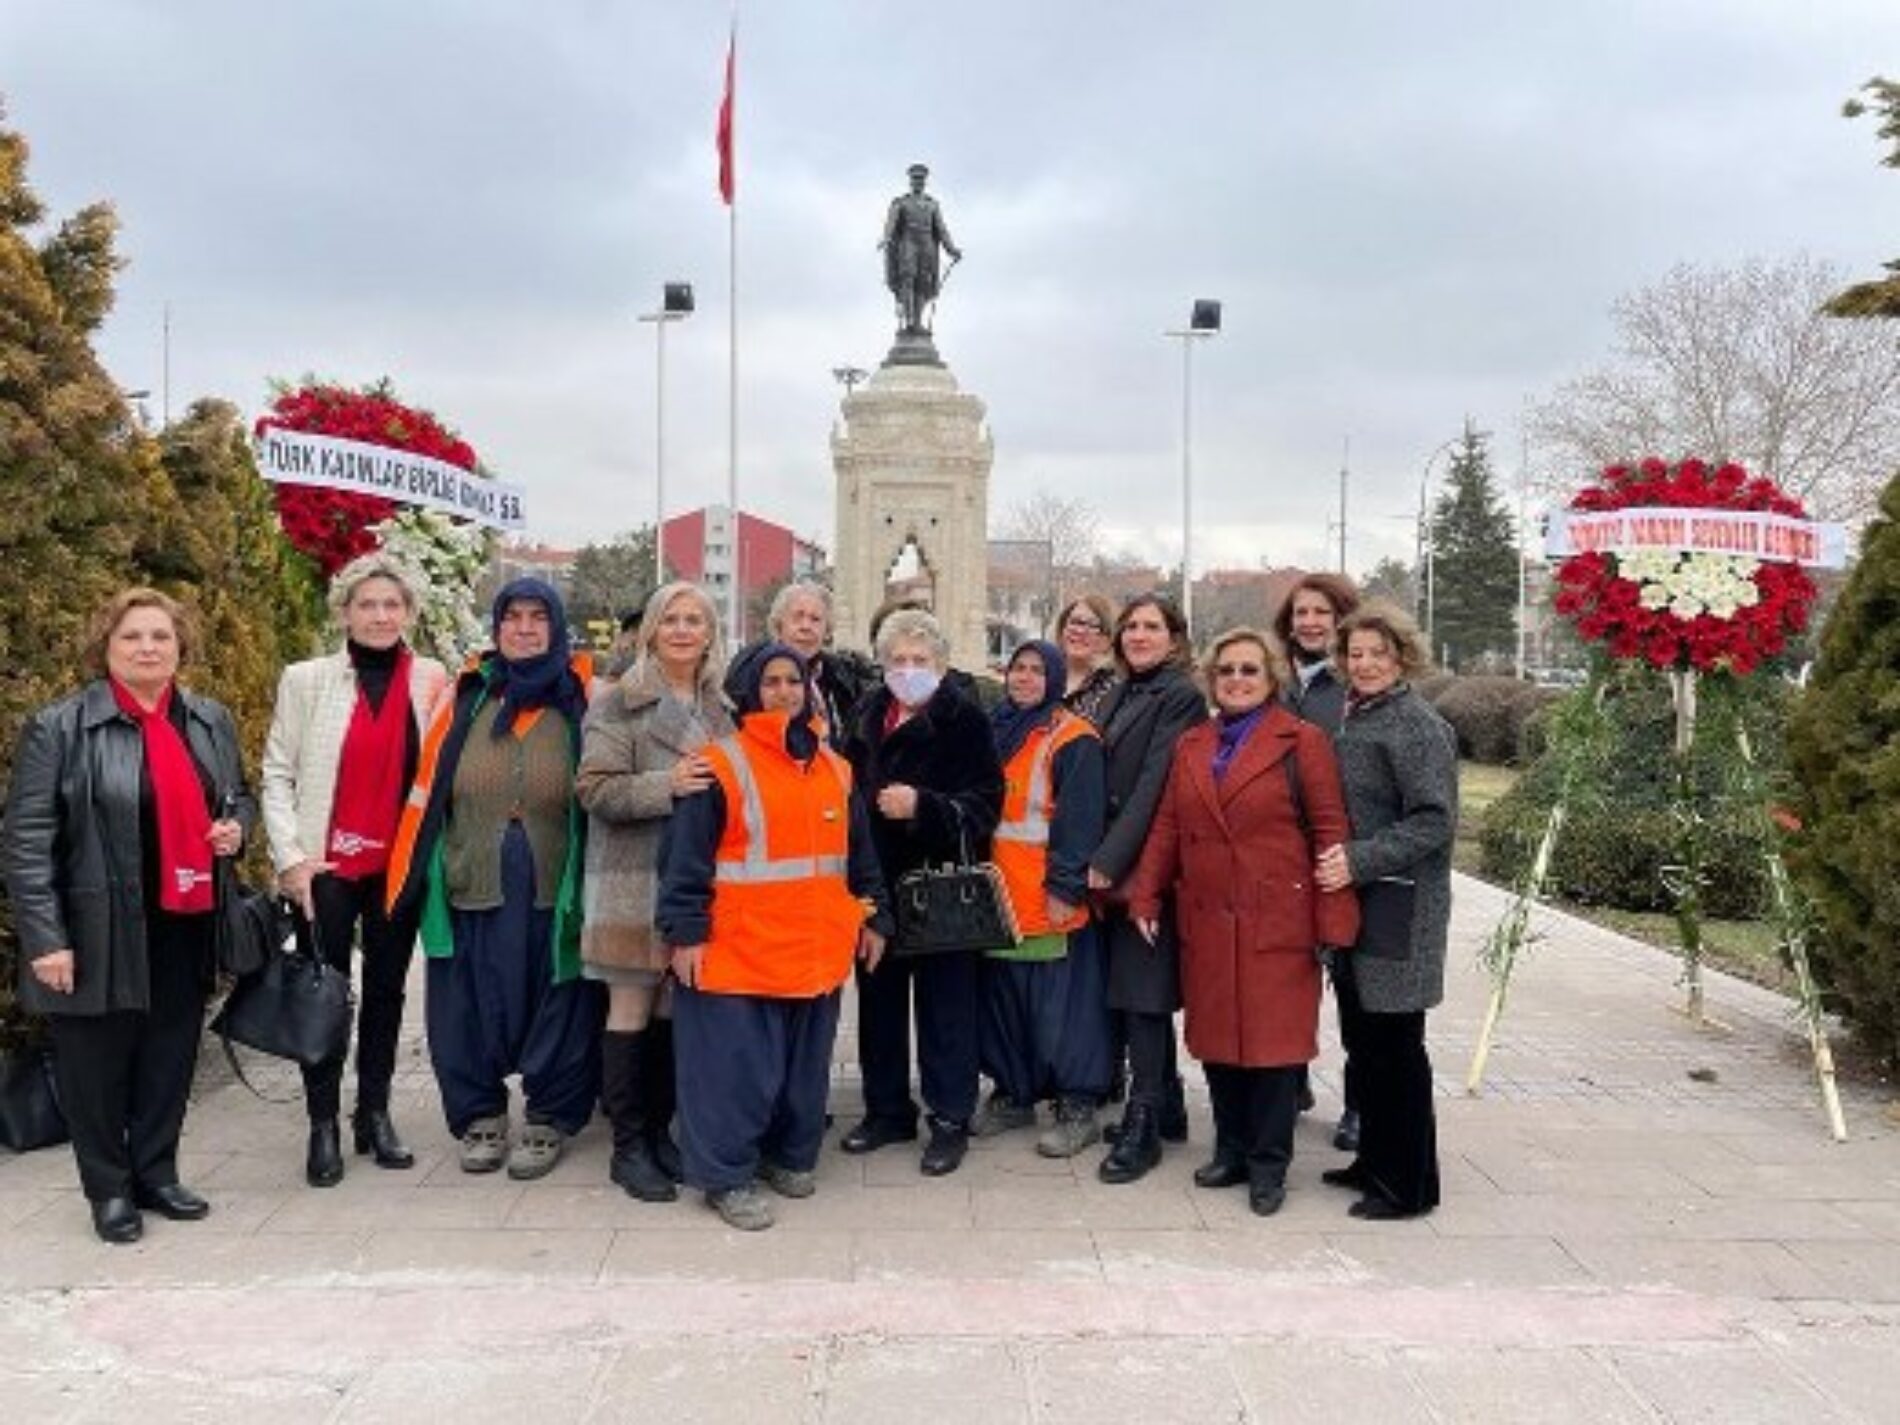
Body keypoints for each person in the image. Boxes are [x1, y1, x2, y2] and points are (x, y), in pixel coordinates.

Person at [3, 589, 252, 1243]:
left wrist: (235, 830)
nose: (148, 648)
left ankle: (156, 1172)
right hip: (95, 929)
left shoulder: (208, 720)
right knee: (96, 1067)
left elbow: (237, 797)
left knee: (170, 1056)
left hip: (184, 920)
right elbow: (27, 842)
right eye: (132, 637)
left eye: (161, 637)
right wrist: (46, 939)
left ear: (181, 647)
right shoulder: (60, 727)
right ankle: (109, 1190)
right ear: (105, 648)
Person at [657, 642, 892, 1229]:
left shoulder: (836, 768)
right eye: (771, 682)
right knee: (732, 1074)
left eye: (794, 681)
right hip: (738, 952)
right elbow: (684, 861)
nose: (785, 692)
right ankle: (726, 1176)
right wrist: (684, 934)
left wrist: (875, 915)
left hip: (814, 951)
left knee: (801, 1072)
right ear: (747, 692)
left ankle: (790, 1155)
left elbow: (860, 859)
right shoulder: (720, 764)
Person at [1125, 628, 1359, 1215]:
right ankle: (1229, 1150)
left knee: (1274, 1050)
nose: (1236, 680)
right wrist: (1146, 895)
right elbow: (1169, 828)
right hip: (1207, 920)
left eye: (1249, 670)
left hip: (1277, 919)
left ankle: (1267, 1163)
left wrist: (1333, 920)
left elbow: (1331, 831)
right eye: (1226, 670)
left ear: (1271, 679)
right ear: (1211, 679)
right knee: (1217, 1042)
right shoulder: (1193, 744)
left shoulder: (1302, 742)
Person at [386, 578, 602, 1181]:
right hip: (468, 875)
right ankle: (479, 1113)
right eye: (513, 617)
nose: (526, 628)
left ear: (557, 628)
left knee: (558, 997)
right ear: (497, 627)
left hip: (553, 880)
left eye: (539, 617)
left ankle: (548, 1117)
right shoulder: (466, 697)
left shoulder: (582, 699)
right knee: (467, 1000)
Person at [261, 553, 450, 1187]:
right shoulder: (307, 679)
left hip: (396, 866)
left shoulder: (430, 678)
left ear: (409, 614)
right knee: (325, 992)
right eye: (367, 604)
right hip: (326, 866)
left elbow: (438, 773)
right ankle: (322, 1124)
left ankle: (374, 1112)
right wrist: (289, 858)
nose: (379, 615)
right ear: (345, 611)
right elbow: (277, 772)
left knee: (390, 991)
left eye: (391, 605)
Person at [574, 581, 732, 1204]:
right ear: (652, 631)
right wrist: (668, 783)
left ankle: (663, 1132)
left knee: (674, 1009)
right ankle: (628, 1144)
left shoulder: (724, 708)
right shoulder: (618, 702)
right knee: (631, 1008)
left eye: (695, 620)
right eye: (672, 619)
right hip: (629, 878)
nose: (683, 630)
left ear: (710, 632)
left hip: (694, 883)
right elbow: (595, 789)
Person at [840, 608, 1003, 1176]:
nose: (908, 670)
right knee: (879, 1005)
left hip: (940, 889)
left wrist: (924, 806)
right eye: (898, 660)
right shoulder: (865, 712)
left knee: (946, 1011)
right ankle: (886, 1110)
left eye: (920, 660)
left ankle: (950, 1118)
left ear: (940, 662)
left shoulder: (964, 719)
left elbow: (987, 802)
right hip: (876, 885)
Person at [1314, 600, 1457, 1221]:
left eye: (1377, 653)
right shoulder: (1362, 716)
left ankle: (1407, 1185)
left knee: (1397, 1048)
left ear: (1402, 657)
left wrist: (1359, 858)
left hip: (1401, 906)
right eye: (1355, 653)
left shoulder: (1417, 725)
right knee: (1363, 1042)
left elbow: (1435, 820)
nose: (1364, 663)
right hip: (1361, 902)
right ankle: (1373, 1160)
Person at [1087, 593, 1207, 1185]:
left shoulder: (1179, 695)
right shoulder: (1119, 689)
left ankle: (1144, 1123)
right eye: (1130, 625)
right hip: (1114, 864)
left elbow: (1157, 786)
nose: (1138, 635)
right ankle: (1170, 1104)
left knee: (1144, 997)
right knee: (1131, 992)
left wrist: (1109, 859)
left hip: (1147, 867)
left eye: (1151, 627)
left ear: (1174, 638)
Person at [974, 639, 1110, 1158]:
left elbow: (1081, 819)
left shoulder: (1073, 737)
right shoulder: (997, 730)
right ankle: (1014, 1093)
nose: (1025, 678)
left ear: (1053, 680)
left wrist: (1065, 887)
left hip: (1048, 898)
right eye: (1018, 669)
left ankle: (1077, 1104)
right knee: (1008, 1005)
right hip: (999, 897)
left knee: (1064, 1012)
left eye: (1036, 671)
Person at [1272, 570, 1362, 1149]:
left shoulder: (1353, 686)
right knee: (1285, 975)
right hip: (1280, 853)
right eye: (1301, 613)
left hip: (1340, 853)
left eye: (1321, 613)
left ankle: (1361, 1103)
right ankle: (1291, 1080)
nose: (1309, 623)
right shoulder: (1276, 682)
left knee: (1352, 983)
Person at [727, 581, 875, 750]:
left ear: (827, 631)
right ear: (779, 625)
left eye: (815, 619)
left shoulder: (841, 678)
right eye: (797, 617)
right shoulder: (750, 673)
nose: (806, 627)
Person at [880, 163, 962, 334]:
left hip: (927, 245)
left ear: (925, 182)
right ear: (910, 181)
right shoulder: (901, 202)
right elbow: (891, 223)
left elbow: (941, 229)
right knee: (907, 280)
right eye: (915, 178)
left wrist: (951, 249)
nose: (918, 182)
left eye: (921, 179)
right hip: (908, 243)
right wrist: (887, 238)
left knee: (923, 284)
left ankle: (917, 322)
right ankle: (909, 321)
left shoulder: (932, 205)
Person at [1054, 593, 1120, 726]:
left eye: (1092, 625)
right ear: (1062, 630)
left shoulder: (1115, 690)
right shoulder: (1043, 677)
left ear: (1107, 638)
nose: (1079, 631)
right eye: (1075, 622)